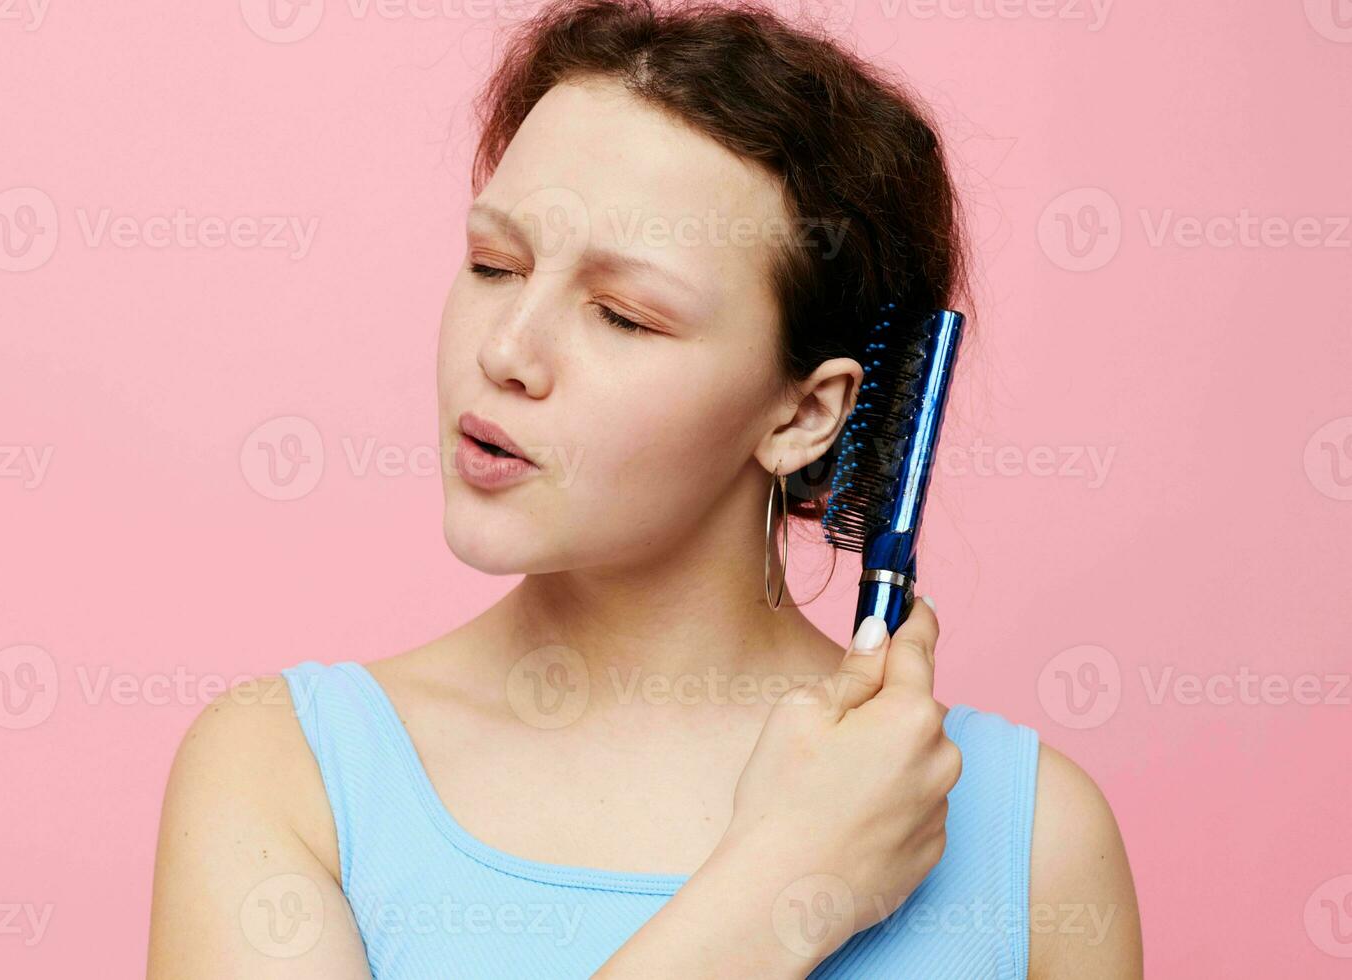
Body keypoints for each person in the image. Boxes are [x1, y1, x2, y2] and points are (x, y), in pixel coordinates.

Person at [147, 1, 1141, 976]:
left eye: (621, 315)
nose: (505, 351)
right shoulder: (286, 773)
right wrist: (779, 889)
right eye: (495, 264)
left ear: (803, 412)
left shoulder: (1035, 847)